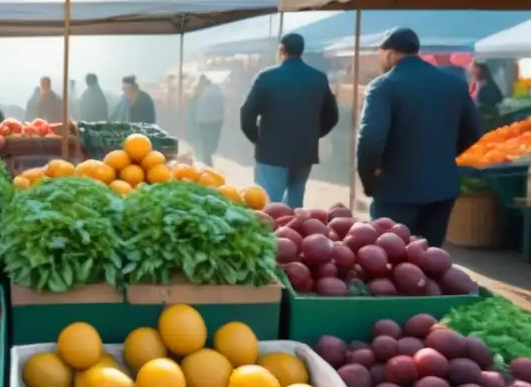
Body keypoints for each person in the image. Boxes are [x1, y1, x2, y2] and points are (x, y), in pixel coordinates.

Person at [358, 28, 482, 248]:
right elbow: (473, 133)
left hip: (395, 191)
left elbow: (370, 139)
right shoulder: (453, 84)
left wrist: (370, 181)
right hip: (442, 188)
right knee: (430, 258)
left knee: (389, 260)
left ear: (389, 53)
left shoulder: (383, 86)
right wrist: (445, 158)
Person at [240, 33, 339, 209]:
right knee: (294, 205)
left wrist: (258, 138)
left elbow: (247, 113)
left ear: (282, 49)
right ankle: (291, 235)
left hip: (271, 152)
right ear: (302, 51)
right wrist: (313, 134)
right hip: (304, 152)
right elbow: (332, 116)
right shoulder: (318, 78)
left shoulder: (266, 77)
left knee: (268, 206)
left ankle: (270, 236)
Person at [190, 75, 225, 167]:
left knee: (205, 143)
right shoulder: (216, 90)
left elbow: (196, 107)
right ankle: (207, 161)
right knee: (210, 143)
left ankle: (207, 161)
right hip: (215, 121)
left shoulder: (203, 91)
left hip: (204, 121)